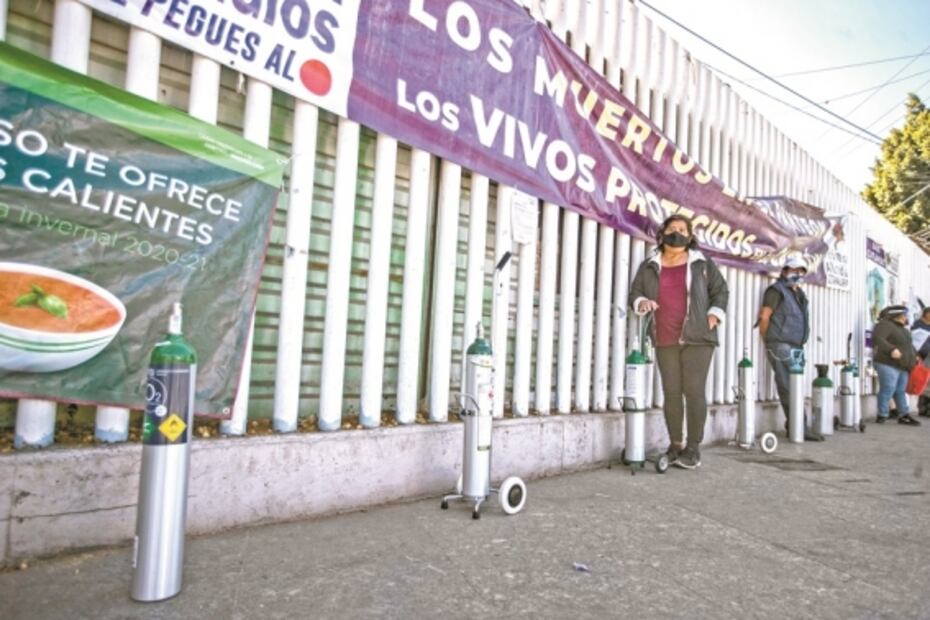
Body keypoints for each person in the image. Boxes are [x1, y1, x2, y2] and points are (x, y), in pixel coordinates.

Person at [630, 214, 728, 470]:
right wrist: (642, 303)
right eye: (672, 228)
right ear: (662, 233)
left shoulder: (701, 263)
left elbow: (721, 290)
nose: (677, 232)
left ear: (691, 236)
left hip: (698, 338)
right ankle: (676, 444)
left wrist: (714, 315)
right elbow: (636, 292)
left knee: (693, 391)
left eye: (682, 229)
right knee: (671, 393)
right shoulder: (650, 264)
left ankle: (693, 449)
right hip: (664, 338)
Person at [757, 256, 820, 439]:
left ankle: (796, 425)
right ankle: (799, 427)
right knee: (788, 388)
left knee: (795, 388)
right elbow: (765, 316)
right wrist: (768, 339)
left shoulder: (799, 294)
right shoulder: (776, 291)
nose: (798, 274)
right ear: (784, 271)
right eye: (794, 270)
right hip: (780, 345)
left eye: (801, 271)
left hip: (796, 347)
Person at [872, 305, 920, 425]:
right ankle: (882, 414)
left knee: (900, 390)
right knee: (888, 388)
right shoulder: (885, 325)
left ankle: (903, 415)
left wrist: (914, 356)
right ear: (896, 315)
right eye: (904, 315)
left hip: (902, 365)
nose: (905, 317)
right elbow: (878, 338)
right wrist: (891, 350)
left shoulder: (903, 329)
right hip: (887, 363)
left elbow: (908, 346)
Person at [910, 306, 930, 417]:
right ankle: (923, 408)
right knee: (924, 381)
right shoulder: (917, 325)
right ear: (927, 314)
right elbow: (915, 341)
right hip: (922, 356)